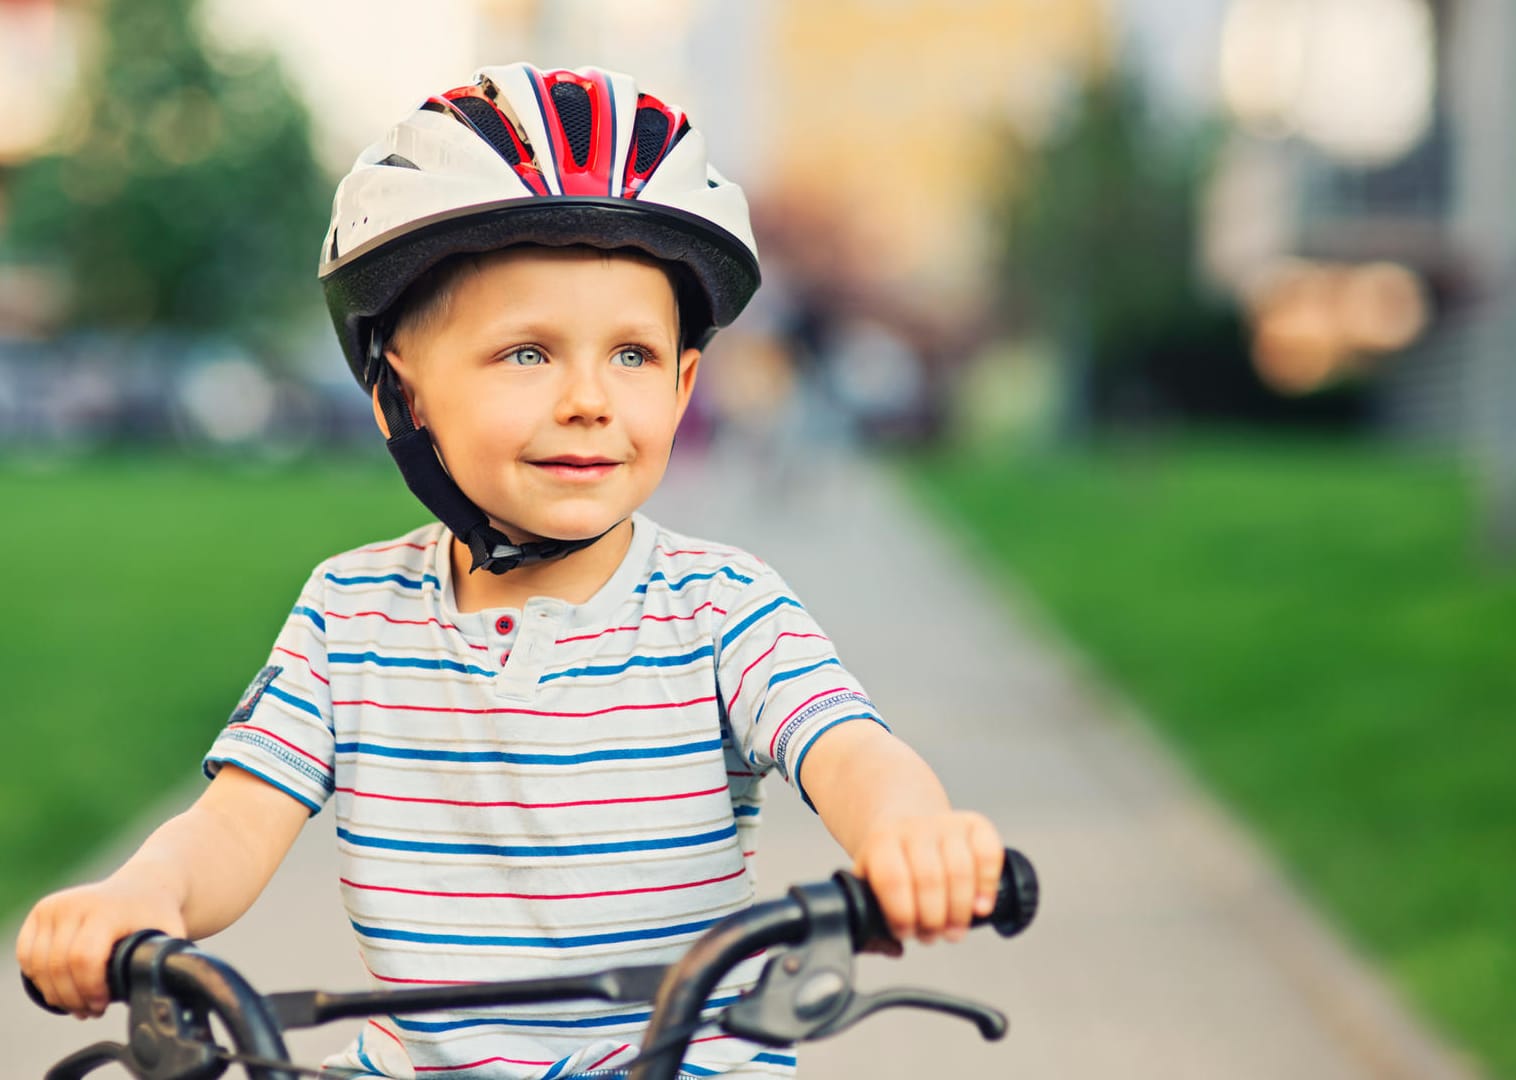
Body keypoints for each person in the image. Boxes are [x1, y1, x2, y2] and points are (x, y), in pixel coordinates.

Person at [16, 64, 1004, 1078]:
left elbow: (850, 752)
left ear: (683, 379)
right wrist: (142, 896)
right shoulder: (349, 615)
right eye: (526, 354)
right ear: (400, 392)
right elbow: (232, 825)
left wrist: (911, 835)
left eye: (630, 354)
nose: (588, 398)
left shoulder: (722, 609)